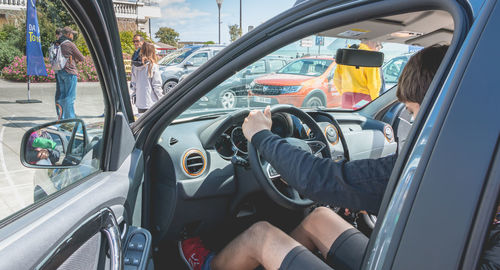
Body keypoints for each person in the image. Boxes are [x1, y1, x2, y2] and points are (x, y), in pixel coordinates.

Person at [179, 45, 451, 270]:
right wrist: (360, 195)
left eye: (413, 112)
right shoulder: (459, 161)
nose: (413, 122)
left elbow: (316, 179)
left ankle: (207, 265)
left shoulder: (435, 167)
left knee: (260, 236)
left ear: (438, 105)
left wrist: (261, 136)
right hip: (416, 255)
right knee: (318, 216)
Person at [334, 40, 382, 109]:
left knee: (348, 117)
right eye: (377, 45)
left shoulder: (346, 55)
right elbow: (373, 84)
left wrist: (343, 92)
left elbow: (336, 79)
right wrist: (375, 101)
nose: (378, 48)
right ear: (371, 42)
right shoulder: (370, 56)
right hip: (364, 98)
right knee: (361, 118)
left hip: (346, 96)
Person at [56, 26, 84, 119]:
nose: (73, 36)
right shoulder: (69, 44)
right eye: (72, 34)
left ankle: (62, 116)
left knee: (62, 95)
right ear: (68, 34)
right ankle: (70, 118)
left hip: (60, 71)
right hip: (70, 72)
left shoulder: (58, 42)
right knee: (70, 97)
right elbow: (81, 57)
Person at [130, 42, 164, 114]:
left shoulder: (134, 66)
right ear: (152, 52)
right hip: (152, 102)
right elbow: (157, 86)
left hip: (140, 102)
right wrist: (162, 99)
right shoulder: (152, 66)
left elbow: (133, 84)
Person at [49, 28, 63, 119]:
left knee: (65, 93)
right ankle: (59, 113)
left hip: (65, 71)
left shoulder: (65, 45)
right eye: (60, 35)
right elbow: (51, 59)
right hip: (59, 71)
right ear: (57, 35)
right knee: (59, 92)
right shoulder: (53, 46)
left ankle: (64, 112)